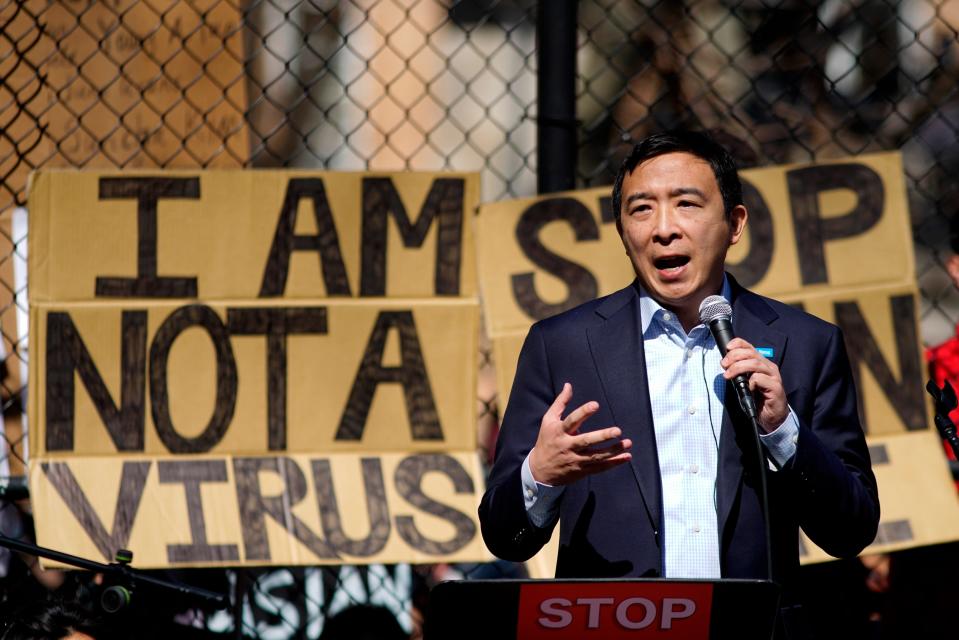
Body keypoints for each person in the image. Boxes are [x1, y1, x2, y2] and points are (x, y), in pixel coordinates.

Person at [479, 130, 880, 634]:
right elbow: (504, 536)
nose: (663, 229)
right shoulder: (561, 346)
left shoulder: (807, 344)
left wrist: (783, 431)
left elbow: (852, 529)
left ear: (734, 224)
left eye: (686, 204)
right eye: (641, 210)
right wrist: (540, 473)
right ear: (623, 232)